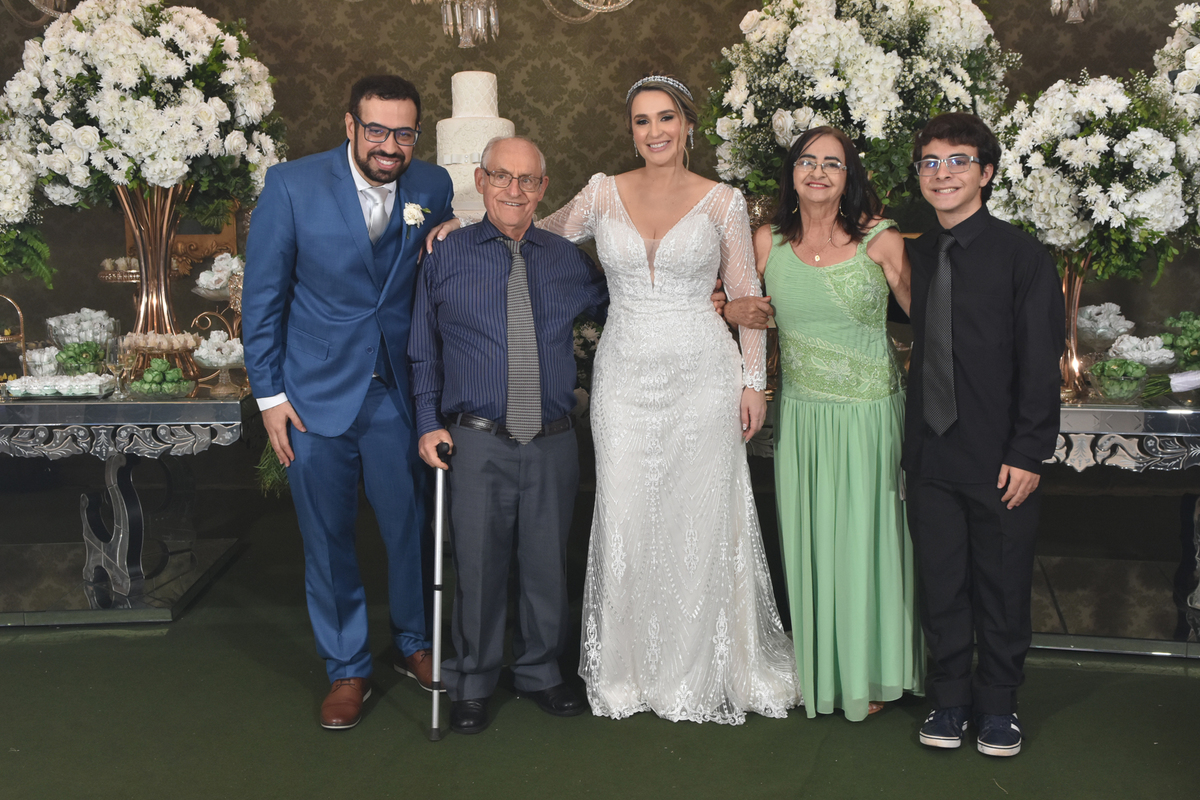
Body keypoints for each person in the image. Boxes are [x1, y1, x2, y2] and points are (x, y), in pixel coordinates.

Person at [536, 74, 800, 724]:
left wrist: (753, 382)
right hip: (623, 379)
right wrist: (460, 226)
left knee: (700, 518)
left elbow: (748, 298)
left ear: (687, 126)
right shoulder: (602, 192)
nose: (654, 131)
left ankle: (700, 666)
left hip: (703, 376)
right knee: (625, 513)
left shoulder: (722, 202)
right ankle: (628, 670)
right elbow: (535, 233)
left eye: (665, 118)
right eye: (642, 121)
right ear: (632, 132)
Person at [242, 75, 454, 730]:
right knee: (328, 536)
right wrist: (270, 397)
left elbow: (431, 270)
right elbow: (262, 299)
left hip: (396, 390)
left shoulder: (433, 186)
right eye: (377, 130)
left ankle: (414, 643)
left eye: (403, 133)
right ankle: (347, 667)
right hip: (311, 397)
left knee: (409, 524)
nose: (390, 145)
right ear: (350, 125)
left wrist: (450, 231)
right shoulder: (291, 186)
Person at [409, 136, 607, 735]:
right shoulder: (445, 254)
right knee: (478, 565)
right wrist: (427, 422)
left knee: (547, 563)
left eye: (527, 180)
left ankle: (540, 671)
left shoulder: (568, 260)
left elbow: (629, 310)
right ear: (481, 181)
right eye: (501, 176)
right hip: (475, 440)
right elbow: (423, 349)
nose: (514, 190)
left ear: (543, 188)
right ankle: (472, 679)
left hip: (552, 439)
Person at [727, 126, 923, 722]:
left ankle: (876, 671)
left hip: (870, 417)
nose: (818, 172)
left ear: (849, 176)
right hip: (804, 418)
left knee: (869, 542)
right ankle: (826, 672)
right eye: (807, 161)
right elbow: (732, 307)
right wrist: (729, 308)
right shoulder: (766, 242)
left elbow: (933, 319)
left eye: (832, 163)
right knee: (813, 542)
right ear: (791, 174)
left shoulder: (880, 241)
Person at [904, 113, 1063, 756]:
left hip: (1000, 456)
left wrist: (1029, 451)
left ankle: (999, 706)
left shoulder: (1023, 256)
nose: (942, 173)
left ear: (986, 172)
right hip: (930, 452)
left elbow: (1041, 360)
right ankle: (950, 701)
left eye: (958, 161)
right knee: (941, 584)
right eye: (930, 162)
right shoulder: (913, 253)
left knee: (1001, 586)